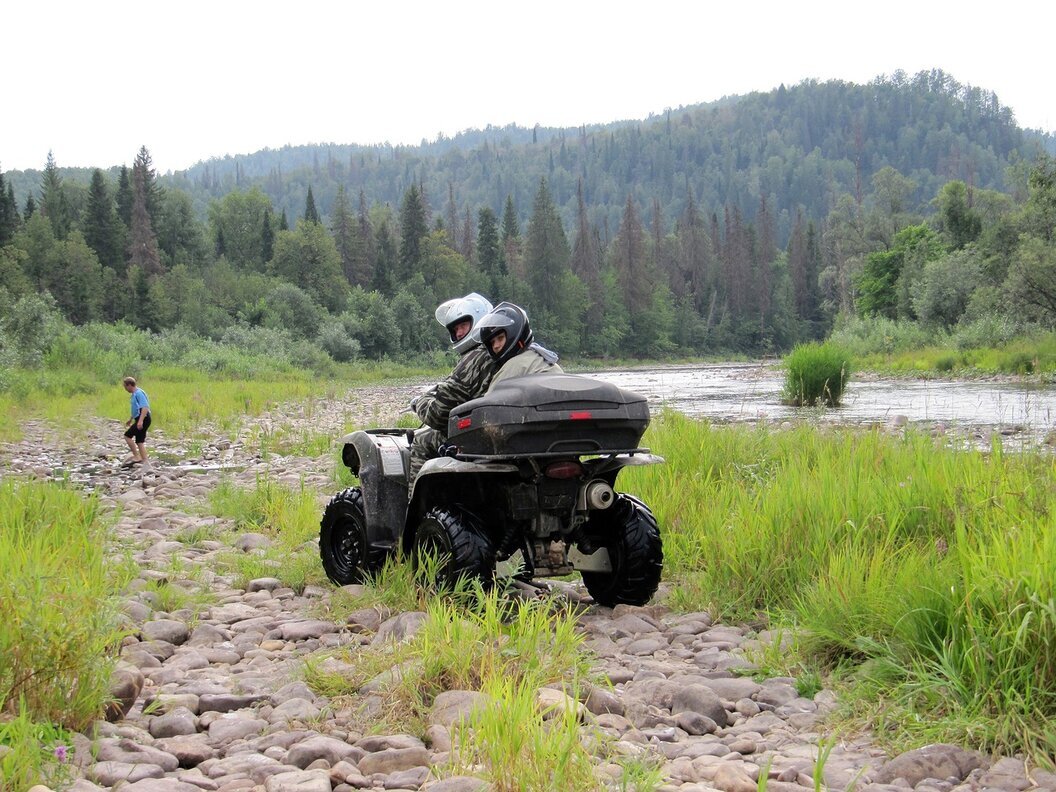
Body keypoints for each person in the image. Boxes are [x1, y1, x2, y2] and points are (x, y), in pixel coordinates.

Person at [408, 292, 496, 483]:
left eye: (463, 325)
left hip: (480, 435)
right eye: (455, 329)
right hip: (506, 432)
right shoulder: (503, 349)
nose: (458, 333)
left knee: (421, 442)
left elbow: (437, 415)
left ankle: (415, 507)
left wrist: (421, 401)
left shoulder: (474, 358)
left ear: (479, 320)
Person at [476, 302, 562, 389]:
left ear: (514, 335)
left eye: (500, 338)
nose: (496, 346)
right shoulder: (543, 359)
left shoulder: (513, 367)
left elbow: (490, 400)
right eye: (492, 343)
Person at [122, 376, 151, 467]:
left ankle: (136, 456)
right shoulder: (134, 394)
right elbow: (136, 409)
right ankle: (145, 461)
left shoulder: (139, 393)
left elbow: (145, 407)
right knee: (139, 441)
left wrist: (140, 421)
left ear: (130, 385)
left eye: (125, 387)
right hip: (140, 418)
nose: (125, 389)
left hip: (144, 418)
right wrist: (131, 419)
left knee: (127, 436)